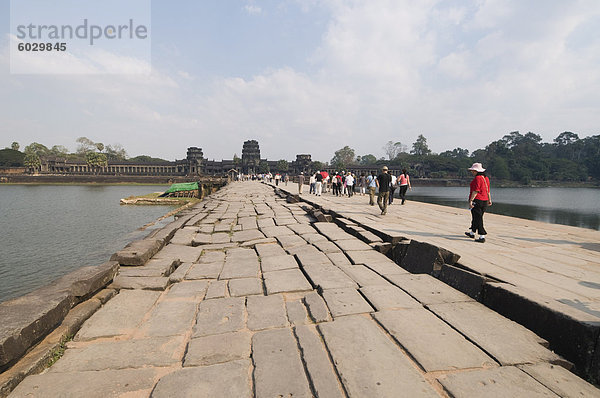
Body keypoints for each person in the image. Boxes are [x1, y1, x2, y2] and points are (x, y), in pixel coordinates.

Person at [465, 163, 492, 243]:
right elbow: (488, 190)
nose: (472, 172)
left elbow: (476, 191)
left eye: (473, 171)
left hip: (478, 200)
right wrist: (489, 200)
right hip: (484, 200)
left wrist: (471, 201)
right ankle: (472, 232)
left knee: (478, 218)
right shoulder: (485, 178)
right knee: (476, 217)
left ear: (476, 171)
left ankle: (482, 235)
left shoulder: (478, 178)